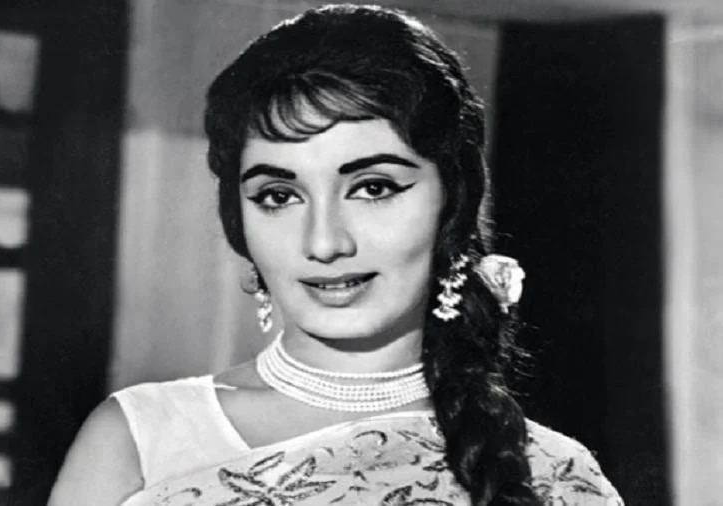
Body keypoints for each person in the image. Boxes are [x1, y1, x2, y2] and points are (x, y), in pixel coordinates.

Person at [49, 4, 623, 505]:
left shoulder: (551, 476)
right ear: (238, 220)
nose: (324, 243)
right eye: (279, 196)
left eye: (373, 187)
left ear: (455, 201)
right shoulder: (143, 438)